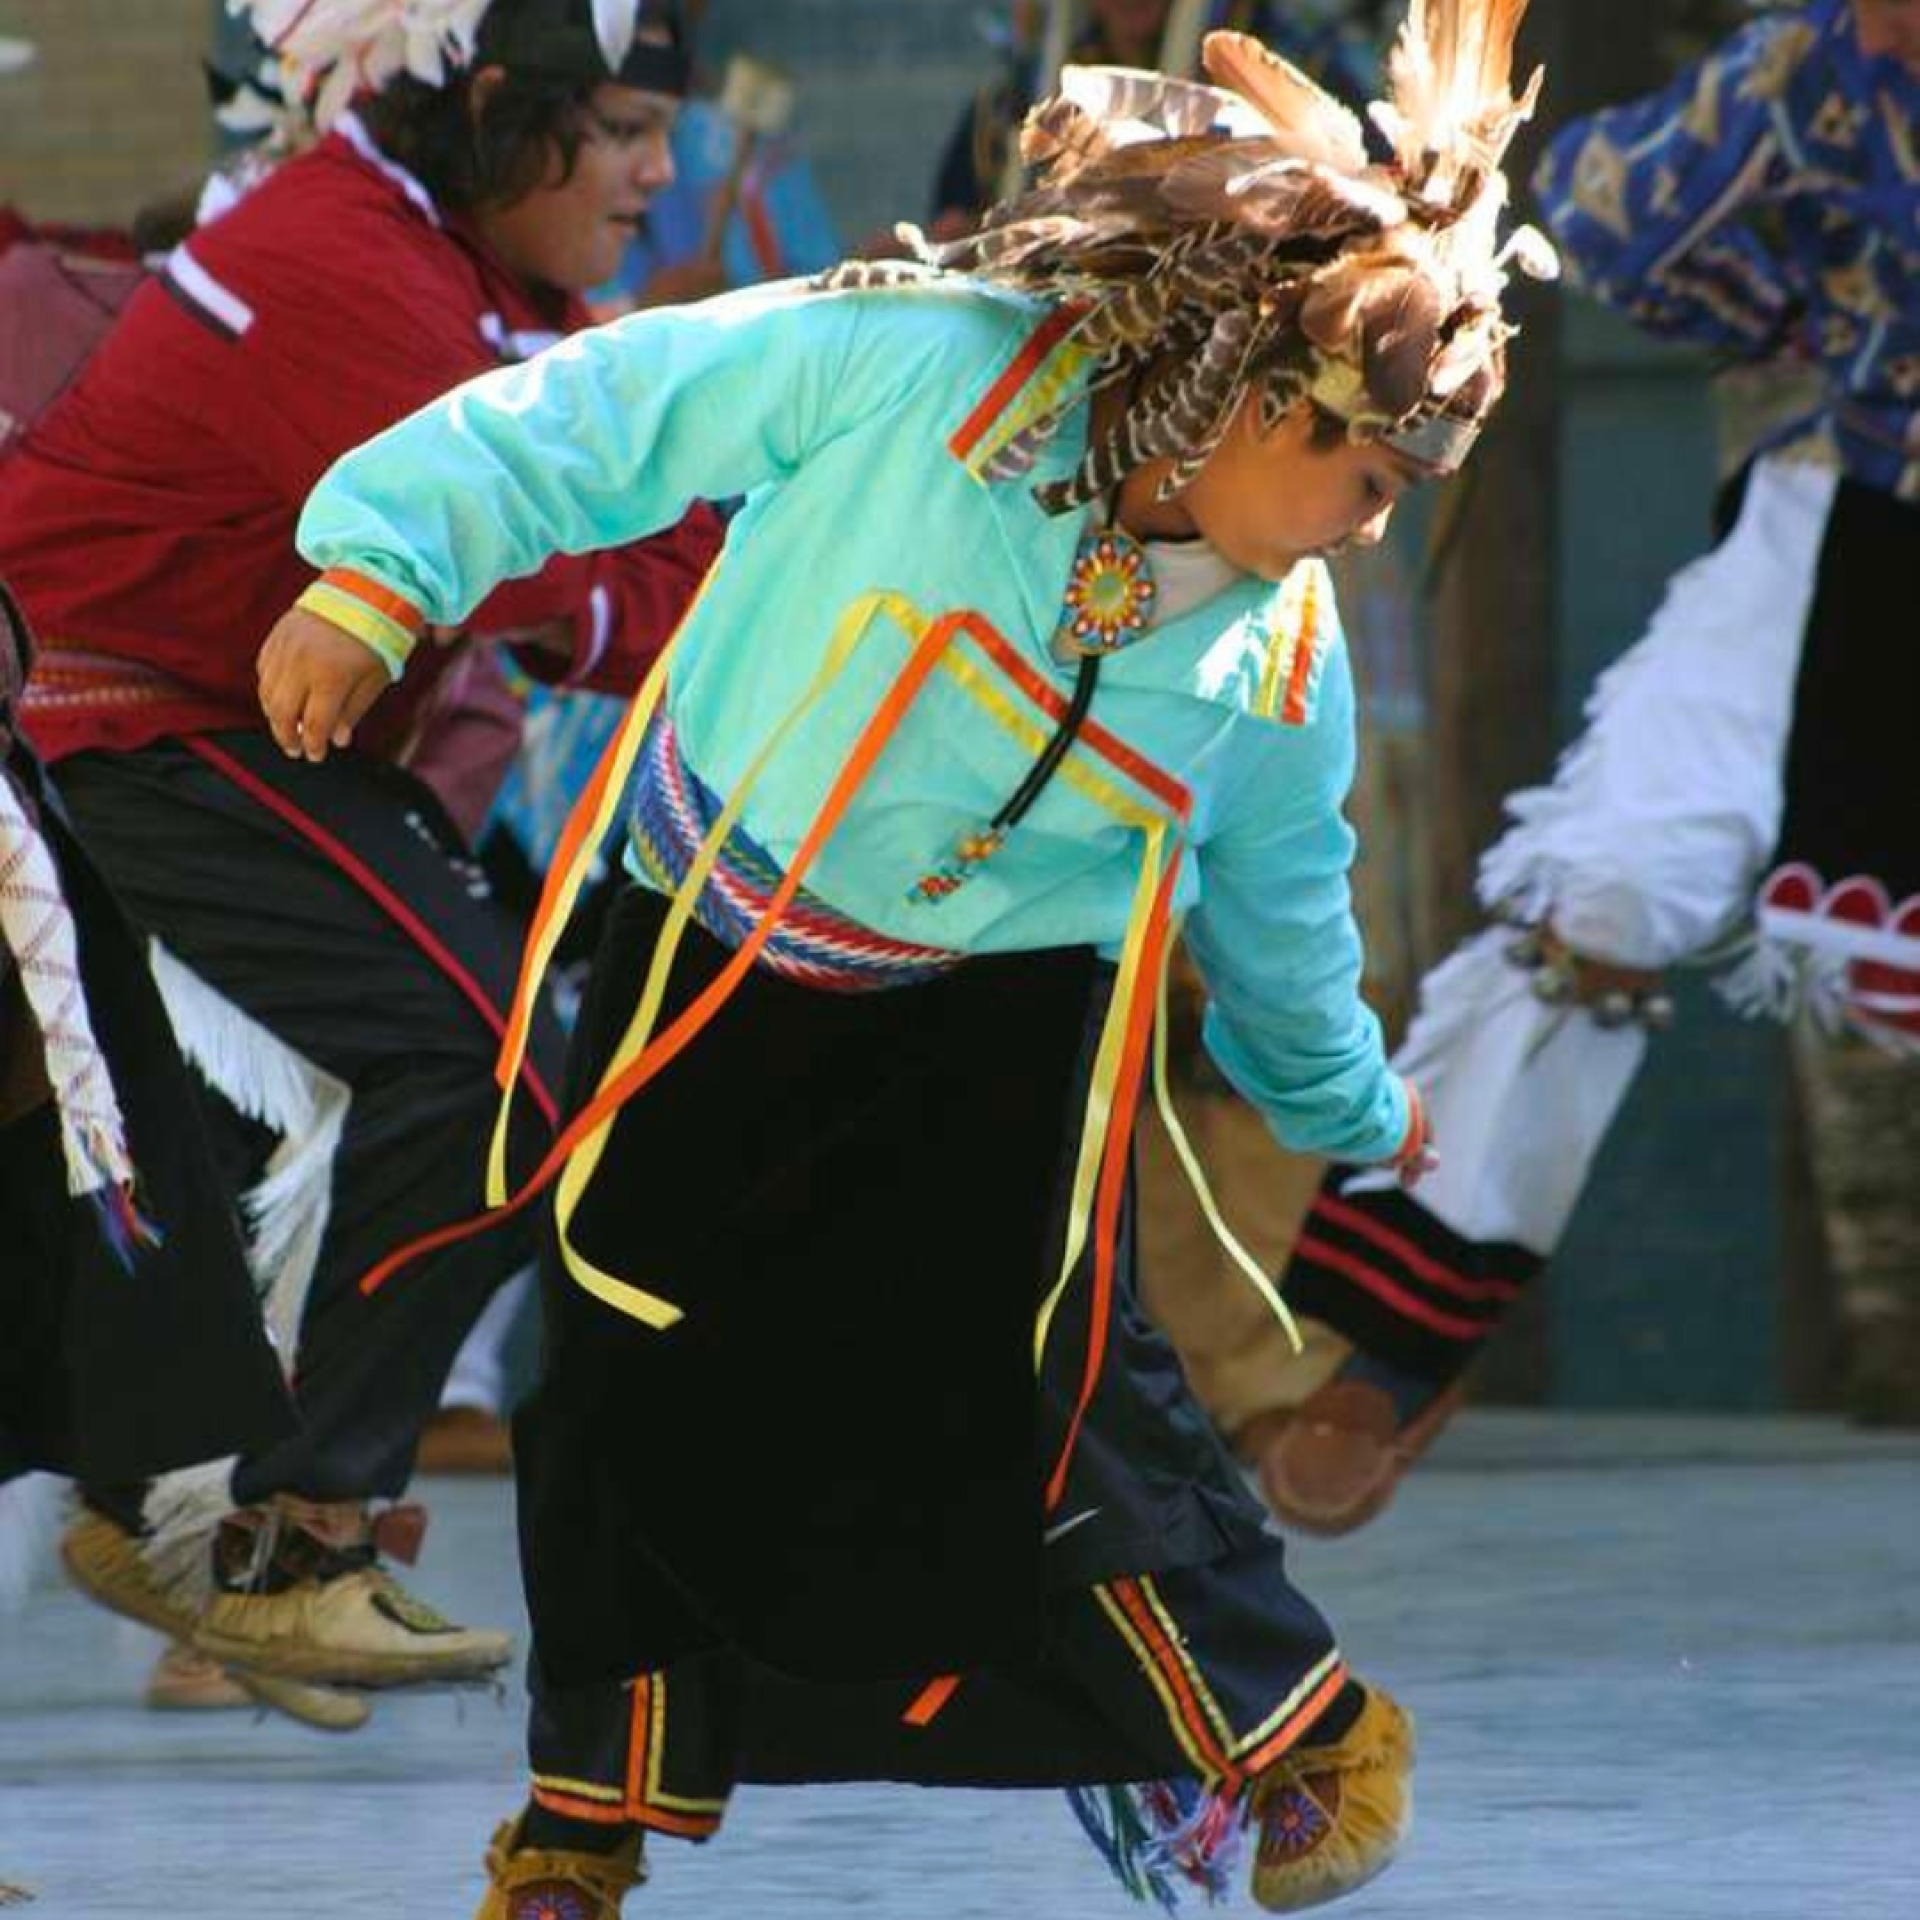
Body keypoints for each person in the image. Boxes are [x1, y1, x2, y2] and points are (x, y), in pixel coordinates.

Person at [261, 6, 1551, 1913]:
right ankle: (583, 1829)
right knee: (617, 1364)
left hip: (1003, 1043)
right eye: (1370, 485)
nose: (1369, 531)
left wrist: (1346, 1098)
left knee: (1039, 1394)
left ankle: (1299, 1746)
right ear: (1275, 394)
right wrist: (380, 572)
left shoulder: (1277, 671)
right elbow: (602, 415)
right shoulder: (918, 367)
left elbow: (1286, 917)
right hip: (708, 948)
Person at [0, 0, 721, 1701]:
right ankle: (295, 1537)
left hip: (204, 731)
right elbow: (564, 588)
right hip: (113, 732)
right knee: (490, 1075)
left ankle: (159, 1507)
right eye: (620, 126)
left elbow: (620, 504)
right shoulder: (353, 272)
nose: (658, 170)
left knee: (338, 1104)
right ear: (493, 109)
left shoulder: (444, 262)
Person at [1257, 0, 1920, 1536]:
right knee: (1611, 875)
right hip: (1860, 514)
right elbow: (1615, 216)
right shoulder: (1831, 64)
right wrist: (1813, 103)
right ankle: (1414, 1314)